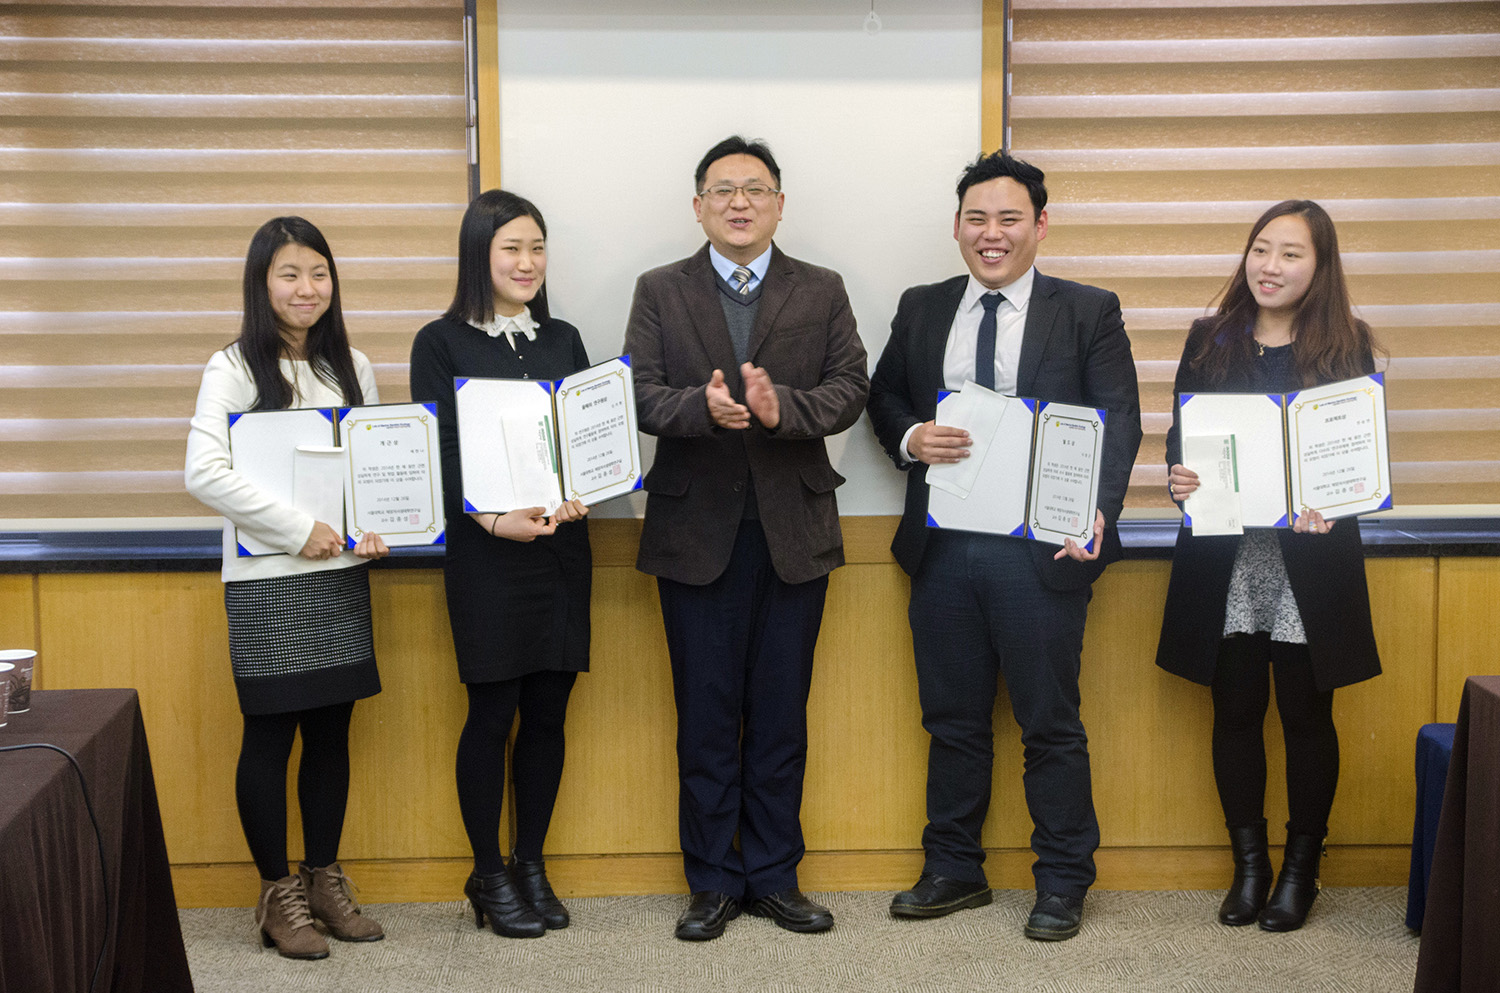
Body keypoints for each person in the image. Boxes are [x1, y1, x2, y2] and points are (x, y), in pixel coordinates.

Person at [866, 151, 1142, 941]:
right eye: (977, 218)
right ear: (958, 227)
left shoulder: (1088, 310)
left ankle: (1061, 878)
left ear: (1040, 225)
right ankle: (953, 867)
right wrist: (913, 435)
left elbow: (1118, 417)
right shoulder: (923, 306)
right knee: (952, 718)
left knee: (1049, 721)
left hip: (1042, 551)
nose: (992, 234)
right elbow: (883, 395)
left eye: (1009, 218)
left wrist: (1100, 507)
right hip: (946, 545)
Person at [623, 136, 869, 941]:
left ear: (779, 205)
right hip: (694, 533)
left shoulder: (822, 288)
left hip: (793, 533)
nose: (739, 202)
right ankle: (711, 882)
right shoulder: (661, 289)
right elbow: (639, 393)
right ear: (698, 205)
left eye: (755, 189)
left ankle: (773, 875)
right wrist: (703, 407)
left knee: (779, 715)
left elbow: (850, 389)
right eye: (723, 189)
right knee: (704, 713)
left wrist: (776, 411)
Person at [1155, 199, 1382, 932]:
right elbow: (1180, 442)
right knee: (1236, 709)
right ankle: (1248, 867)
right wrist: (1178, 477)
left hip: (1310, 558)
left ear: (1320, 266)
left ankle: (1300, 871)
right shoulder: (1209, 339)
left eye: (1290, 253)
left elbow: (1358, 456)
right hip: (1227, 554)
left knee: (1307, 713)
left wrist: (1339, 499)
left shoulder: (1351, 344)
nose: (1270, 266)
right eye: (1260, 249)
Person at [185, 216, 389, 960]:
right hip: (269, 577)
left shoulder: (354, 365)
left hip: (339, 576)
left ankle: (323, 877)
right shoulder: (233, 366)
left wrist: (374, 524)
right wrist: (297, 526)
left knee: (332, 733)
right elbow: (203, 472)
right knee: (271, 736)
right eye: (289, 274)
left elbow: (373, 466)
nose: (307, 289)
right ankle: (278, 894)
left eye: (319, 274)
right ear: (262, 283)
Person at [409, 190, 591, 940]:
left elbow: (583, 435)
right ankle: (487, 870)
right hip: (488, 556)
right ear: (479, 253)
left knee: (549, 713)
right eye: (512, 247)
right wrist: (491, 517)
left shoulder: (564, 336)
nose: (527, 262)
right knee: (493, 715)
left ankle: (531, 861)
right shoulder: (441, 341)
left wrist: (583, 489)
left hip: (561, 551)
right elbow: (440, 450)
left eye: (538, 248)